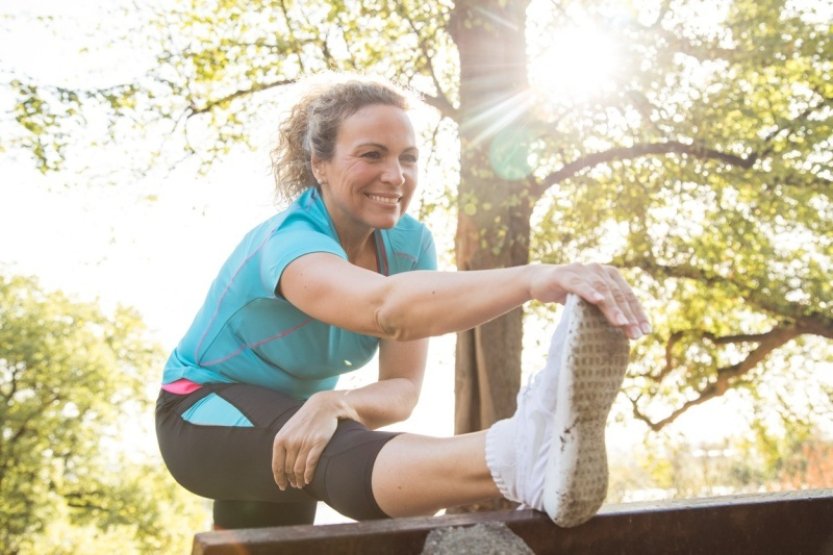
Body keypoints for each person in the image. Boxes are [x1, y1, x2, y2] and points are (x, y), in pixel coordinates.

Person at [155, 74, 650, 530]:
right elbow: (385, 310)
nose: (395, 175)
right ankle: (519, 454)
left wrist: (339, 400)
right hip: (197, 411)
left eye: (408, 158)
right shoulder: (289, 242)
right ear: (319, 165)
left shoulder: (410, 246)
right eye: (371, 155)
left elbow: (402, 390)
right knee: (338, 452)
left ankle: (529, 451)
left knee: (279, 531)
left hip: (294, 415)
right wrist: (535, 279)